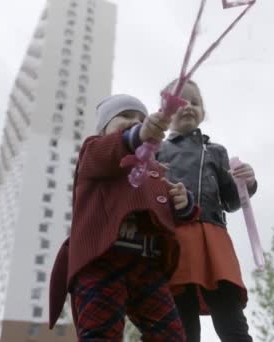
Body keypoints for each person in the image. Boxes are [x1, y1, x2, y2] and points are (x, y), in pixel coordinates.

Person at [48, 94, 199, 341]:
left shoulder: (156, 170)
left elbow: (168, 217)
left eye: (140, 118)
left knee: (171, 335)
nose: (135, 121)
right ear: (104, 127)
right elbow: (108, 151)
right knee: (100, 333)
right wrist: (139, 133)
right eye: (125, 116)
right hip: (101, 260)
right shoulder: (94, 151)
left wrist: (183, 204)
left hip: (147, 263)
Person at [156, 79, 257, 342]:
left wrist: (247, 183)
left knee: (231, 320)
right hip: (173, 241)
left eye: (195, 102)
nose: (189, 107)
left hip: (214, 240)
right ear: (164, 113)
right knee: (181, 325)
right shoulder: (157, 152)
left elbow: (232, 202)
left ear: (203, 111)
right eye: (180, 102)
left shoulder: (216, 152)